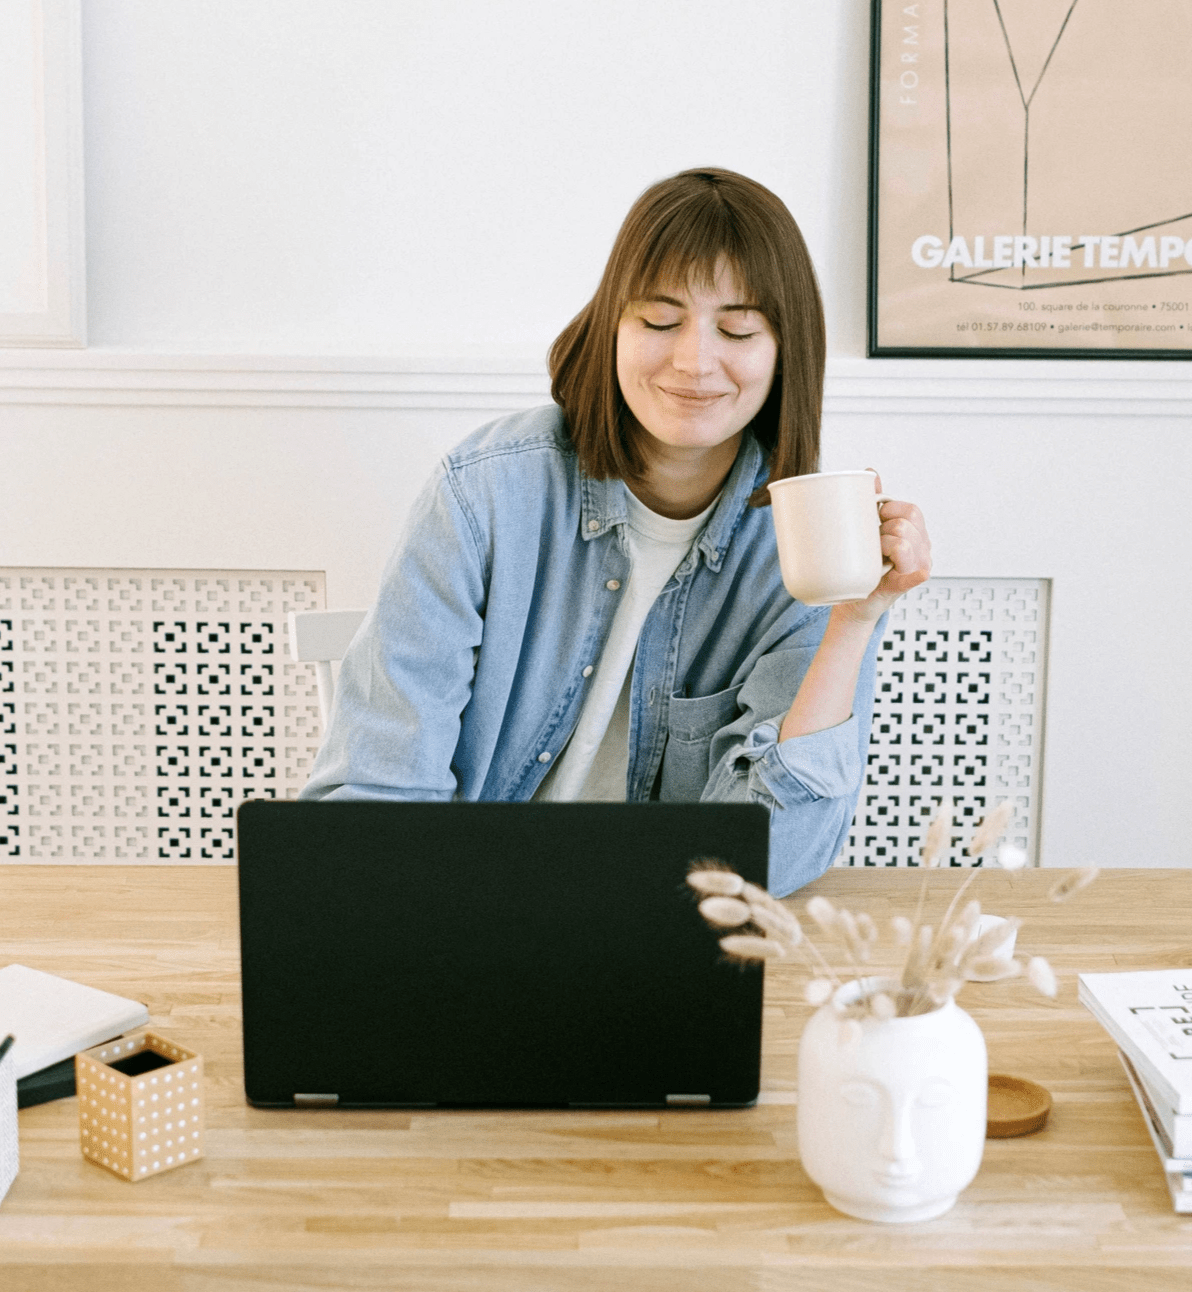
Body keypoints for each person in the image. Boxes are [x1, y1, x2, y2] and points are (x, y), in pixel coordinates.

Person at [300, 167, 932, 895]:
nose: (694, 362)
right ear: (611, 328)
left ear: (785, 349)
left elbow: (770, 861)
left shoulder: (812, 542)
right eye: (659, 321)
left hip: (662, 932)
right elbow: (375, 802)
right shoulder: (485, 492)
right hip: (463, 907)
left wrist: (853, 620)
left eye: (737, 328)